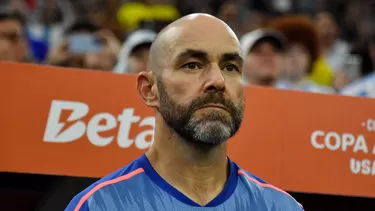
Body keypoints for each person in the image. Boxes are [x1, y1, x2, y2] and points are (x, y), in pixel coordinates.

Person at [65, 13, 303, 211]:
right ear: (149, 89)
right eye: (192, 65)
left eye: (230, 67)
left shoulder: (281, 208)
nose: (217, 80)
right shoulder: (98, 206)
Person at [267, 15, 335, 93]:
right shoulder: (265, 91)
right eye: (288, 52)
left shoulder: (325, 93)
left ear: (311, 56)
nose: (294, 58)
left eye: (301, 52)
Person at [47, 20, 120, 71]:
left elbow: (123, 68)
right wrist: (53, 59)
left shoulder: (104, 62)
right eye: (79, 41)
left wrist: (113, 45)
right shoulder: (63, 61)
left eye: (87, 41)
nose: (83, 48)